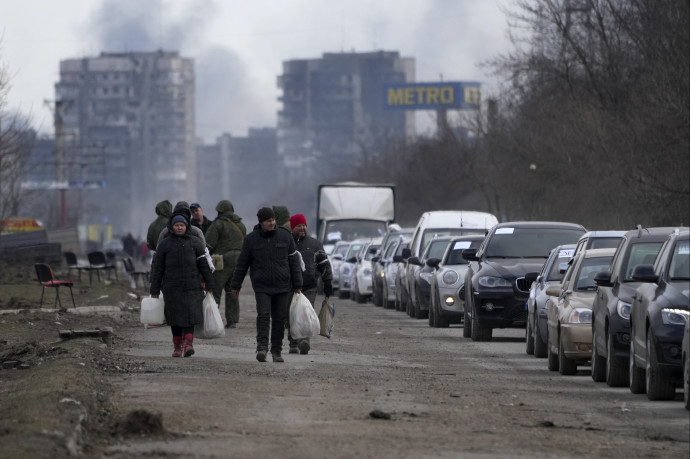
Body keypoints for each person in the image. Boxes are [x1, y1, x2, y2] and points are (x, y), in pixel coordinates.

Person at [231, 207, 303, 363]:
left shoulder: (285, 236)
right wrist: (236, 285)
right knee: (263, 316)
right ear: (261, 222)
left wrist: (297, 284)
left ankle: (277, 351)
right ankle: (262, 347)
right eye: (268, 220)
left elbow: (294, 262)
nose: (272, 223)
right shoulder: (251, 240)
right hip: (262, 286)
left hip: (282, 286)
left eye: (273, 220)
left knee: (279, 319)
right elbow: (242, 264)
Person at [149, 214, 215, 358]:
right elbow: (158, 268)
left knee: (191, 315)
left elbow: (203, 265)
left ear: (187, 227)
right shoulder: (164, 245)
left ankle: (188, 344)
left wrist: (209, 282)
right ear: (172, 227)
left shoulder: (195, 243)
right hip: (171, 287)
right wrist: (154, 289)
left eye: (182, 225)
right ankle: (177, 346)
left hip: (192, 286)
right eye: (177, 225)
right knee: (175, 318)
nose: (179, 227)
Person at [287, 213, 334, 355]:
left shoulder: (315, 244)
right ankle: (293, 342)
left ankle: (304, 341)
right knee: (290, 315)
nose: (302, 228)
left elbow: (324, 264)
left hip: (309, 286)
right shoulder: (287, 243)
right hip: (289, 286)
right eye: (298, 226)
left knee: (306, 313)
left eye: (303, 225)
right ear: (292, 227)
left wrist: (328, 282)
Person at [204, 200, 246, 329]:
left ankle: (212, 319)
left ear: (219, 210)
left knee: (215, 290)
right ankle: (232, 320)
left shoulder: (217, 225)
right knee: (232, 290)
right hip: (239, 260)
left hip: (221, 261)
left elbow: (208, 244)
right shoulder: (241, 225)